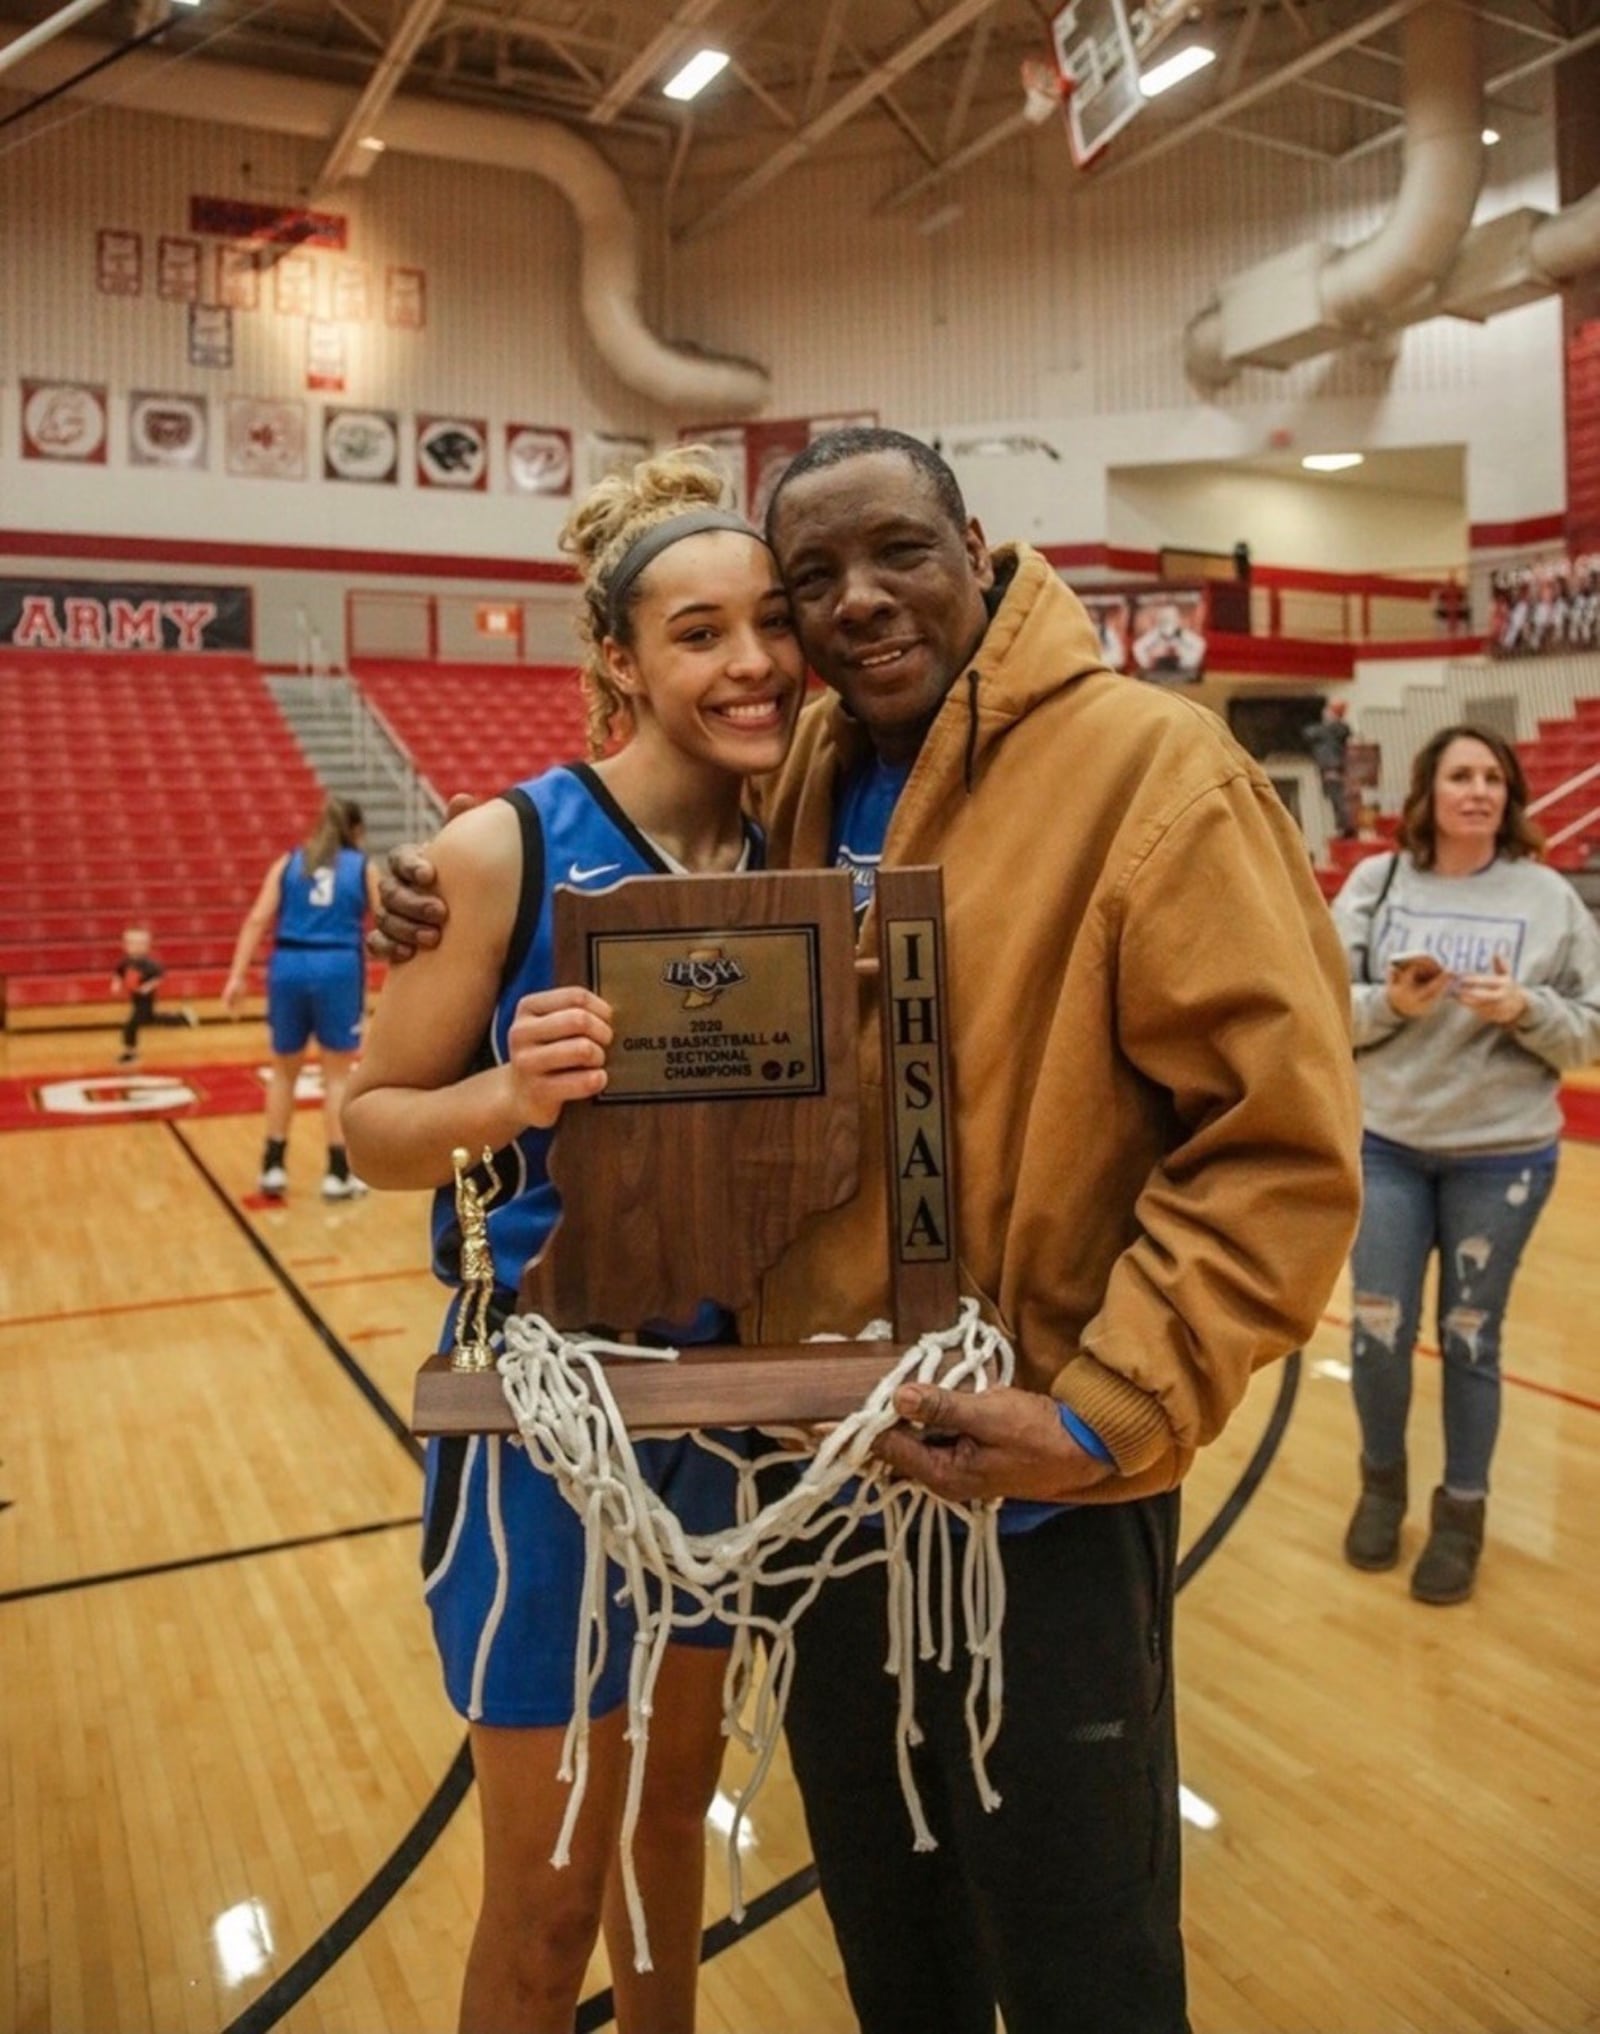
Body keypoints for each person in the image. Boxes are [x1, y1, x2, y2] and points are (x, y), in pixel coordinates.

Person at [373, 426, 1363, 2034]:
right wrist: (427, 888)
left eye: (897, 552)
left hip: (1034, 1484)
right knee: (895, 1946)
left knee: (1078, 1962)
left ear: (979, 545)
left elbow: (1284, 1142)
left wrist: (1106, 1410)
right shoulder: (815, 767)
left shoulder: (1156, 767)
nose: (850, 606)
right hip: (825, 1483)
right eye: (809, 580)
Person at [342, 447, 805, 2034]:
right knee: (544, 1902)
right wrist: (502, 1090)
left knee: (672, 1836)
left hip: (722, 1409)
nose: (749, 662)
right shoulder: (497, 849)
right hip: (540, 1411)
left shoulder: (800, 844)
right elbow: (369, 1121)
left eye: (769, 623)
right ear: (617, 656)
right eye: (696, 631)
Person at [1332, 724, 1600, 1605]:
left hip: (1502, 1159)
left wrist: (1528, 1010)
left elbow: (1590, 1029)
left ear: (1510, 795)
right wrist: (1391, 1005)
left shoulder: (1550, 897)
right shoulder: (1379, 885)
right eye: (1460, 776)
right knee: (1376, 1336)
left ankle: (1462, 1516)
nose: (1478, 790)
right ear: (1429, 792)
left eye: (1493, 777)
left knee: (1470, 1340)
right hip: (1387, 1146)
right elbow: (1324, 1007)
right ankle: (1382, 1485)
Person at [222, 794, 379, 1199]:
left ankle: (272, 1168)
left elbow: (257, 918)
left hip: (287, 966)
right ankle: (337, 1173)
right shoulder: (363, 868)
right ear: (357, 832)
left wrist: (236, 977)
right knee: (338, 1077)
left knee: (283, 1073)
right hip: (337, 967)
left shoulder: (289, 862)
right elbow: (386, 925)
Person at [109, 924, 197, 1065]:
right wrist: (116, 984)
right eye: (132, 943)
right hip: (135, 999)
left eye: (141, 943)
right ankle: (182, 1018)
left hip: (145, 1000)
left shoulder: (149, 964)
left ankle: (130, 1053)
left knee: (132, 1025)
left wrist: (147, 987)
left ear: (147, 945)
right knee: (151, 1019)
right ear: (125, 945)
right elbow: (118, 974)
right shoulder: (126, 962)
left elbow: (159, 976)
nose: (136, 946)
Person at [1303, 696, 1356, 838]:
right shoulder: (1334, 730)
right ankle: (1343, 827)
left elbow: (1310, 732)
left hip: (1333, 770)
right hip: (1331, 770)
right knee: (1335, 800)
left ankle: (1346, 828)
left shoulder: (1334, 729)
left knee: (1338, 800)